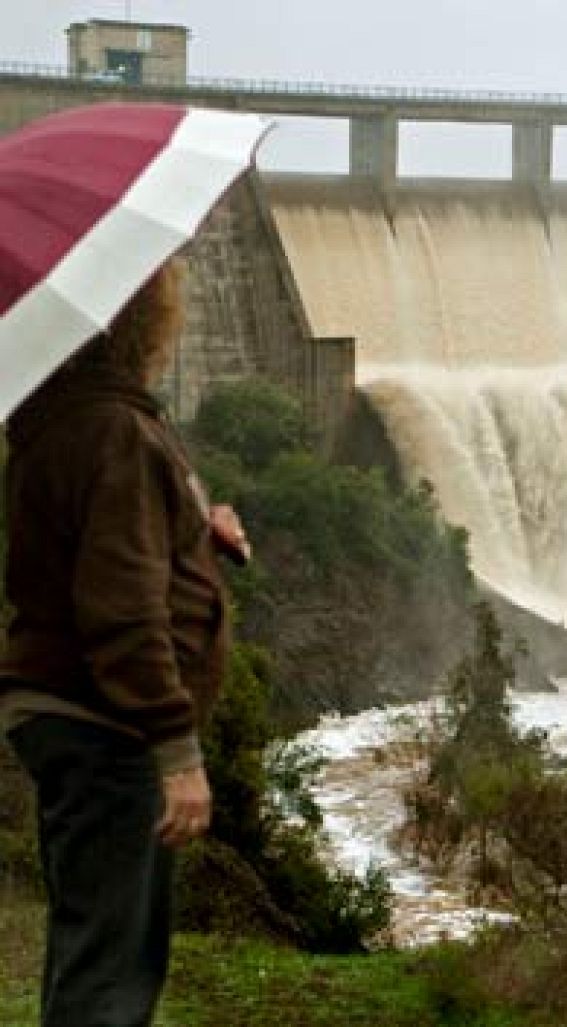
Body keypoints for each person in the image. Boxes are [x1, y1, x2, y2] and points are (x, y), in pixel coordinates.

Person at [1, 259, 249, 1026]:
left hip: (68, 715)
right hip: (104, 724)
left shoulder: (63, 420)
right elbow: (122, 610)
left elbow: (100, 547)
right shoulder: (115, 429)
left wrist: (193, 529)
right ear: (139, 322)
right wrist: (177, 754)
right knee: (113, 972)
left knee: (96, 951)